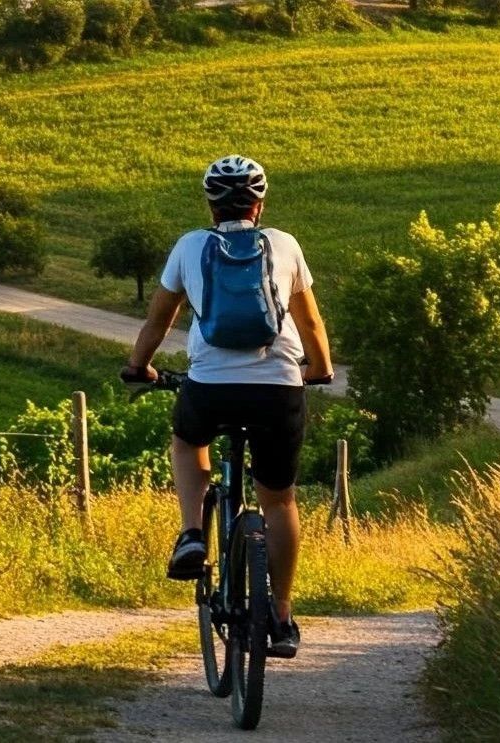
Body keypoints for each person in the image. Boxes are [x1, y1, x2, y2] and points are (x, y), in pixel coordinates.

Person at [121, 155, 333, 658]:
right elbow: (312, 327)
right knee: (279, 500)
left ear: (210, 203)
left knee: (188, 441)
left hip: (211, 384)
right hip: (279, 387)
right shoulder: (284, 245)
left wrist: (138, 367)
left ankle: (193, 532)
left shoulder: (190, 247)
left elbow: (157, 323)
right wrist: (319, 371)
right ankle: (280, 617)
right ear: (259, 203)